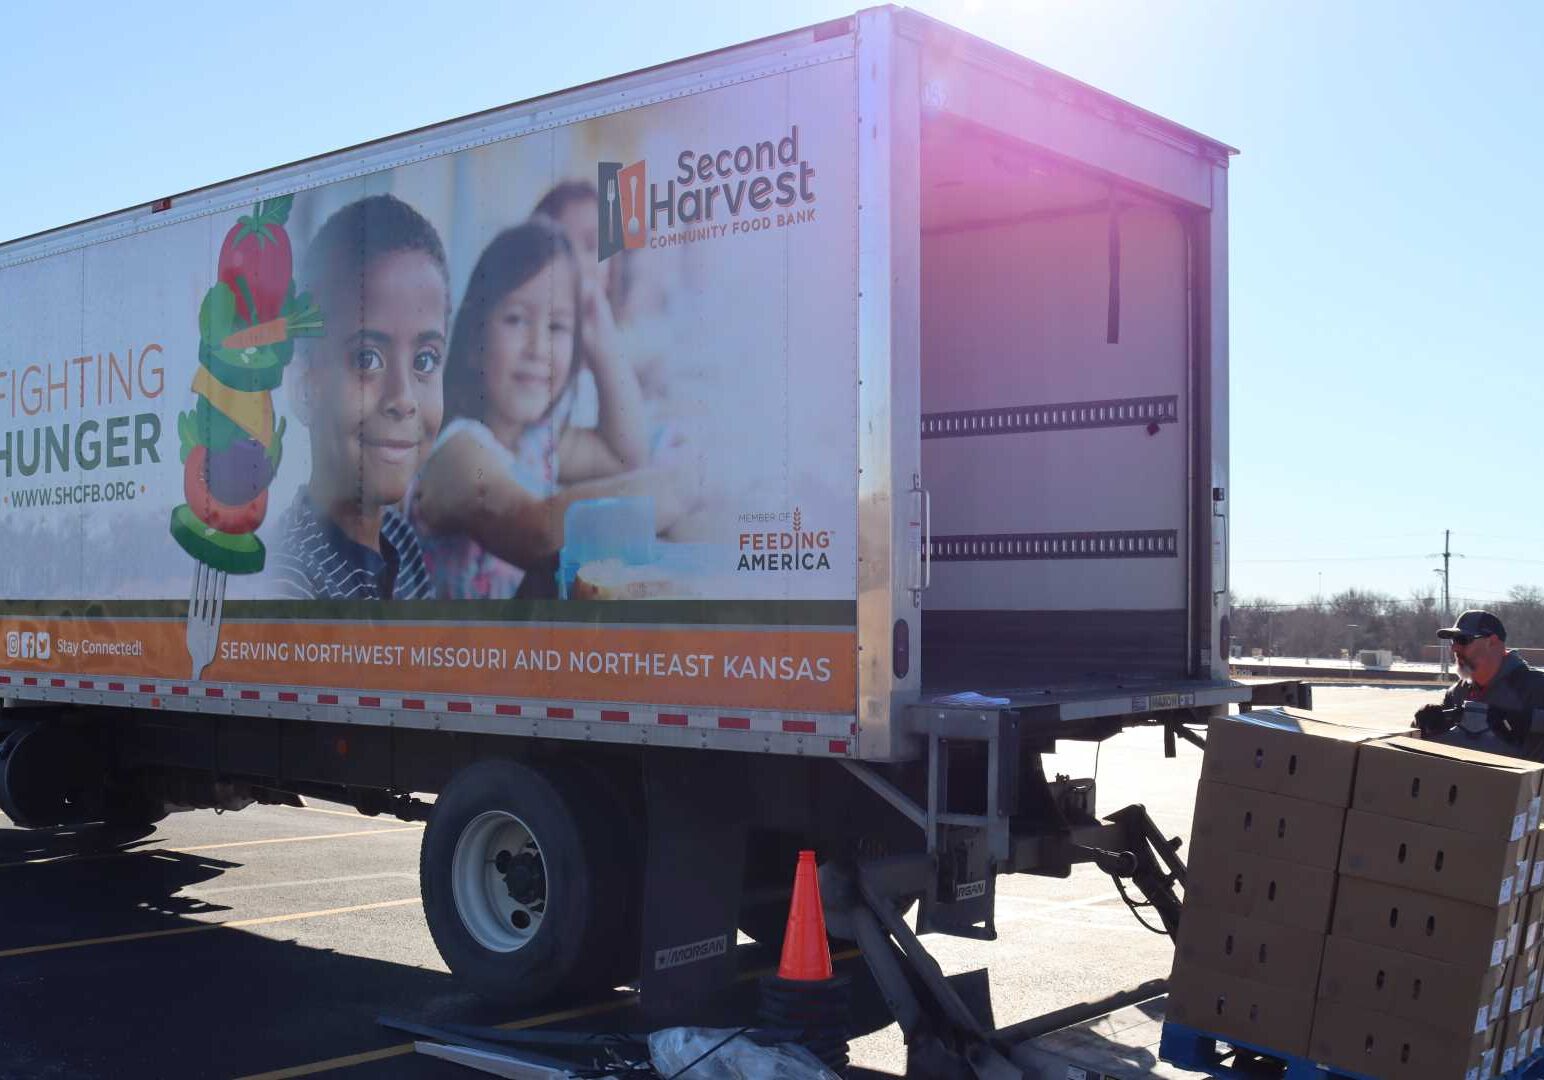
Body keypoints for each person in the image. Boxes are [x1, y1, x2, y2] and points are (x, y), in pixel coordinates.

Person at [410, 216, 697, 599]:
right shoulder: (457, 453)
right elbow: (538, 529)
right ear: (476, 341)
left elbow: (627, 455)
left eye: (558, 328)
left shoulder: (539, 442)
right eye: (515, 319)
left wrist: (601, 337)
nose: (538, 348)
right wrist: (681, 486)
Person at [269, 194, 448, 600]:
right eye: (367, 357)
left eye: (425, 359)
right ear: (304, 388)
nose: (403, 398)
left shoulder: (400, 542)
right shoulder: (288, 581)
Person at [1413, 610, 1544, 758]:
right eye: (1453, 641)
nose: (1454, 648)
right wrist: (1423, 724)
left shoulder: (1536, 686)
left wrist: (1529, 720)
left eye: (1463, 640)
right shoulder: (1457, 693)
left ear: (1493, 642)